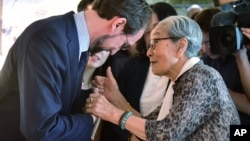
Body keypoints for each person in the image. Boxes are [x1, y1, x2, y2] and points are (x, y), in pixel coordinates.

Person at [0, 0, 152, 140]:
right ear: (118, 24)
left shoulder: (77, 42)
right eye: (124, 44)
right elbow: (42, 129)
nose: (114, 52)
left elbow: (59, 105)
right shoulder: (48, 40)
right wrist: (92, 117)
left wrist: (91, 96)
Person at [85, 15, 240, 140]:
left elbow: (165, 135)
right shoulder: (182, 80)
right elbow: (150, 127)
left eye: (155, 43)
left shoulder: (201, 77)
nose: (148, 52)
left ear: (180, 46)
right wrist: (116, 97)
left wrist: (111, 113)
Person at [99, 2, 177, 141]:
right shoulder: (133, 66)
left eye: (158, 28)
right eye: (147, 32)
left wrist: (118, 99)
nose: (153, 36)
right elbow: (113, 122)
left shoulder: (188, 73)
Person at [202, 10, 250, 124]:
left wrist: (240, 56)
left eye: (209, 42)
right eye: (201, 43)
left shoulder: (245, 55)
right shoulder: (207, 62)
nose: (204, 49)